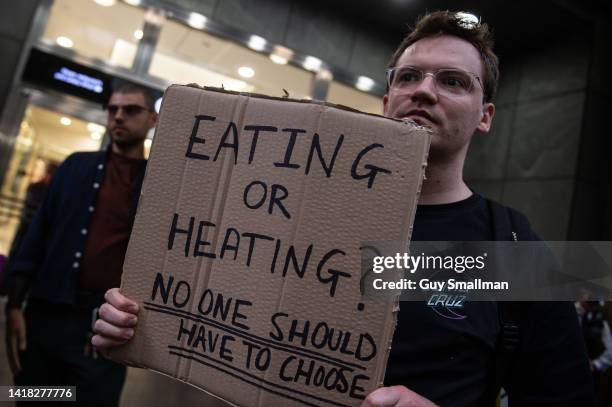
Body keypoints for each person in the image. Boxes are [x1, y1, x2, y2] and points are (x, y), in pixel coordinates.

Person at [90, 12, 595, 406]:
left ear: (485, 117)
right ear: (387, 99)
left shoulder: (510, 251)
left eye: (453, 81)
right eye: (409, 76)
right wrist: (138, 323)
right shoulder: (297, 217)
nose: (423, 90)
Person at [4, 83, 157, 406]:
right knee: (31, 396)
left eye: (130, 110)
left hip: (103, 327)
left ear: (153, 120)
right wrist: (15, 305)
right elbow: (36, 236)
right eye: (112, 109)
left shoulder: (158, 182)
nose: (118, 116)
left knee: (93, 399)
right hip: (46, 316)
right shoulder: (75, 166)